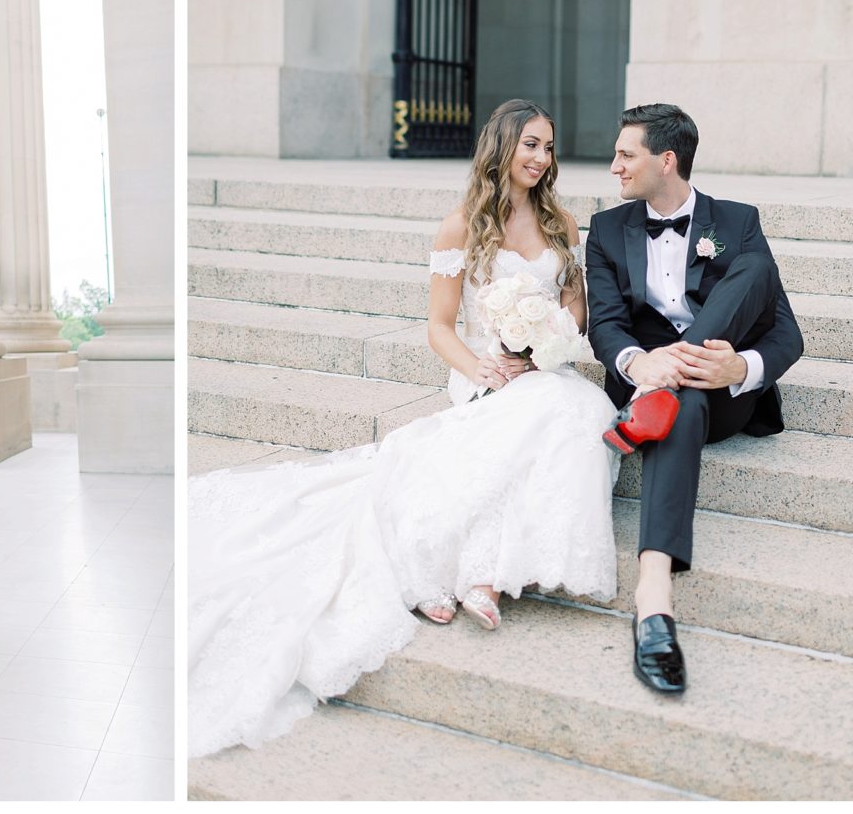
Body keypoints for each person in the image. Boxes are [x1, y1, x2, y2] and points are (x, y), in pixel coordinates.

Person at [188, 99, 623, 759]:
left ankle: (486, 568)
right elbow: (439, 328)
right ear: (502, 145)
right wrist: (483, 362)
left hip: (543, 369)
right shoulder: (460, 227)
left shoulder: (561, 223)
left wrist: (549, 345)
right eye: (529, 144)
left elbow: (575, 316)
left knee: (582, 411)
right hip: (481, 368)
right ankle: (457, 569)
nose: (539, 157)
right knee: (536, 413)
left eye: (548, 147)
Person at [586, 102, 802, 695]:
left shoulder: (737, 221)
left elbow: (787, 333)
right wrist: (640, 362)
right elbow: (604, 325)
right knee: (682, 405)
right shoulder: (606, 231)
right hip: (652, 378)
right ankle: (654, 596)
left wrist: (740, 365)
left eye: (626, 155)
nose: (614, 168)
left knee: (755, 270)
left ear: (667, 159)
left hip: (720, 377)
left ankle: (663, 394)